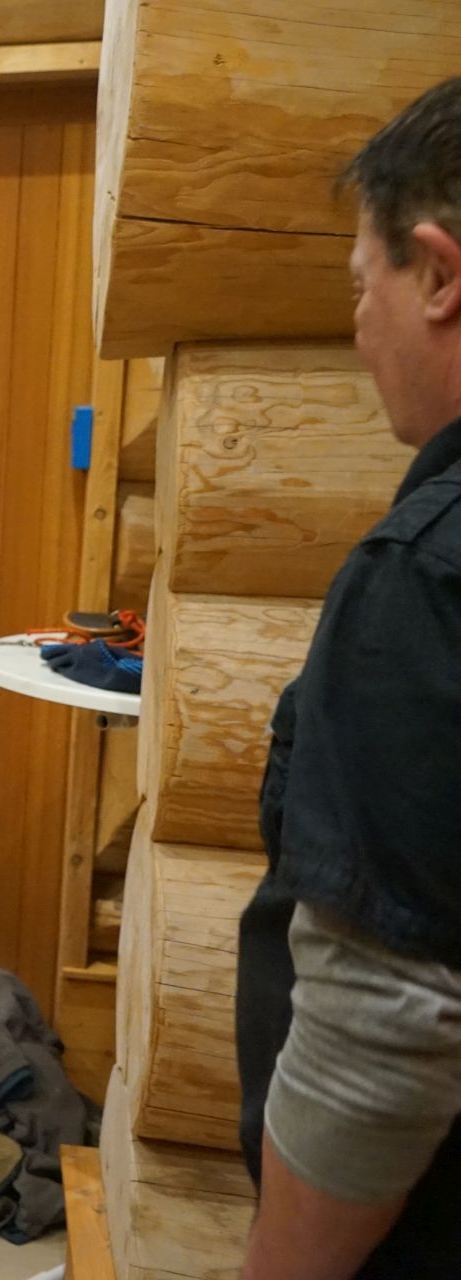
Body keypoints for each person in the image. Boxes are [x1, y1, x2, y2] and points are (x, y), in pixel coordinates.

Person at [235, 77, 461, 1280]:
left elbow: (384, 1028)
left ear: (440, 275)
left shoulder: (425, 573)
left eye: (362, 284)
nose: (359, 326)